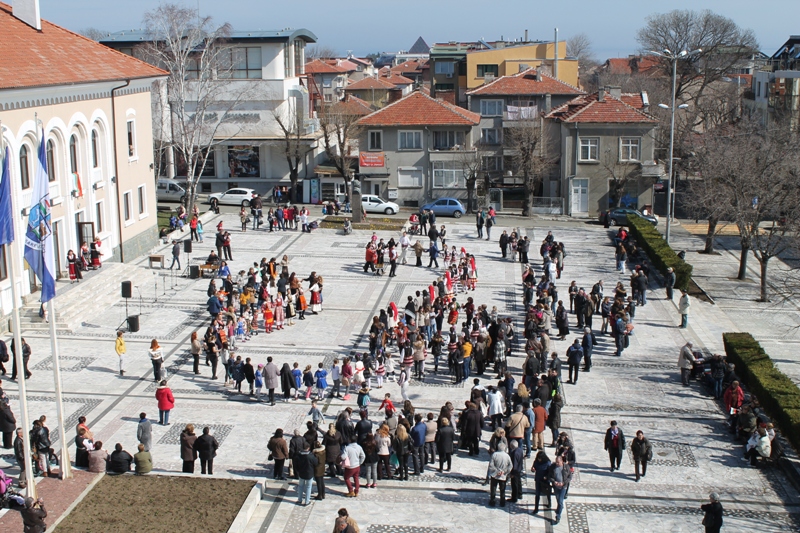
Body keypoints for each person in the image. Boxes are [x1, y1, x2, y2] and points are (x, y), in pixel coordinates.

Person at [487, 442, 512, 507]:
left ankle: (492, 501)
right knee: (502, 489)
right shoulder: (507, 456)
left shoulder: (494, 455)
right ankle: (502, 502)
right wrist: (505, 471)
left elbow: (491, 465)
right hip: (503, 475)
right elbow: (510, 466)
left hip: (495, 475)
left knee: (493, 488)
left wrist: (497, 471)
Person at [294, 440, 319, 505]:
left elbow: (295, 465)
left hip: (301, 473)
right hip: (309, 474)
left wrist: (298, 471)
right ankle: (307, 501)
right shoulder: (311, 456)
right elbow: (316, 463)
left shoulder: (298, 456)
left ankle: (299, 500)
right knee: (308, 487)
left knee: (300, 486)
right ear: (308, 448)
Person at [531, 450, 552, 515]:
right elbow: (533, 467)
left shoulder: (547, 463)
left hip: (545, 481)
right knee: (537, 494)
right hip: (538, 480)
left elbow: (550, 472)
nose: (539, 460)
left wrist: (546, 477)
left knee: (547, 492)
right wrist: (533, 469)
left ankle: (549, 502)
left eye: (540, 459)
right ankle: (536, 508)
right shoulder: (536, 461)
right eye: (538, 458)